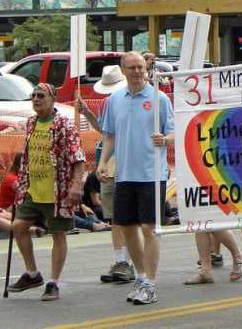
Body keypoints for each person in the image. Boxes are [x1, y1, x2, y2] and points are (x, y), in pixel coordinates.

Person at [97, 51, 174, 304]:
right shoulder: (115, 99)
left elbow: (173, 133)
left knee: (149, 228)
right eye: (132, 67)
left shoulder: (159, 98)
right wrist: (101, 163)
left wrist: (165, 139)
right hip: (124, 175)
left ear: (147, 69)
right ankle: (141, 276)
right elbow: (109, 135)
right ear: (123, 71)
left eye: (141, 66)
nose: (137, 71)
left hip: (152, 175)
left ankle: (150, 282)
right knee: (127, 228)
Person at [7, 83, 85, 301]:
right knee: (18, 226)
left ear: (52, 98)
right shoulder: (31, 122)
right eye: (33, 96)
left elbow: (78, 158)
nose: (35, 99)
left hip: (57, 192)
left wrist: (76, 186)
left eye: (40, 95)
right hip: (33, 188)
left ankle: (53, 282)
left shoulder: (64, 125)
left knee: (57, 234)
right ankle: (32, 274)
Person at [76, 64, 135, 283]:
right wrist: (88, 113)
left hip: (129, 165)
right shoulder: (107, 103)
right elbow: (105, 130)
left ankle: (131, 263)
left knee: (130, 219)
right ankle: (121, 261)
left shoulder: (132, 101)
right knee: (116, 217)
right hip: (109, 167)